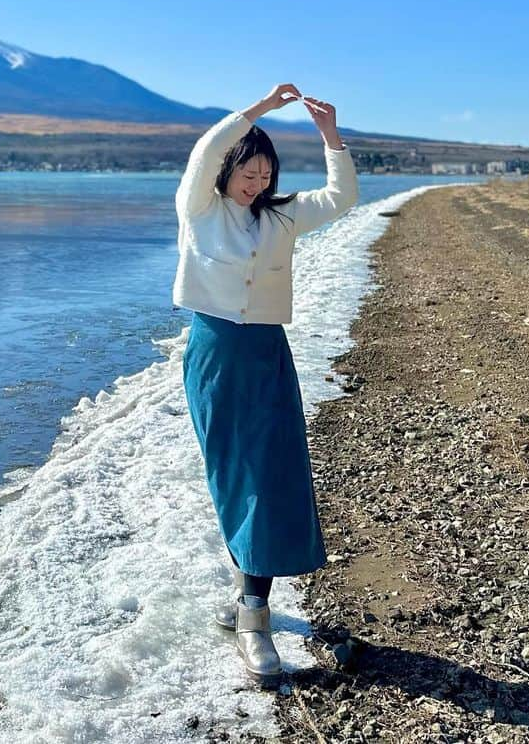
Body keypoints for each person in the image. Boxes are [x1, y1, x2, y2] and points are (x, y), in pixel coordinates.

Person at [171, 82, 360, 689]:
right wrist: (256, 112)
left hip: (268, 357)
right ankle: (249, 610)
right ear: (226, 172)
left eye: (265, 173)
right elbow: (204, 150)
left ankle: (252, 615)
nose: (255, 183)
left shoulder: (281, 215)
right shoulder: (199, 208)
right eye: (247, 173)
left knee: (272, 477)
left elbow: (340, 197)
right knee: (234, 477)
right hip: (216, 354)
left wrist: (330, 135)